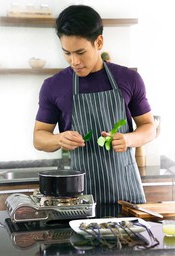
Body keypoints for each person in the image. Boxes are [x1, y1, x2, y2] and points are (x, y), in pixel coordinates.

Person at [33, 5, 156, 204]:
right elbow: (39, 137)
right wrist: (59, 139)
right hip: (74, 198)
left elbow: (149, 128)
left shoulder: (129, 79)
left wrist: (128, 139)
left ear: (99, 42)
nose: (74, 61)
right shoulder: (53, 86)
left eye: (80, 52)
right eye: (67, 53)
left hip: (125, 195)